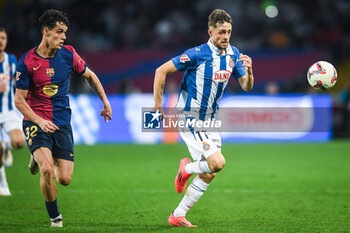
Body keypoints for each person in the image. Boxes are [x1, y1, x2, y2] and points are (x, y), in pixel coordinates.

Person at [153, 9, 254, 227]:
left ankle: (177, 215)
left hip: (209, 119)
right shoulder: (197, 54)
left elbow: (246, 86)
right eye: (221, 32)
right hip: (190, 117)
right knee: (217, 163)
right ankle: (186, 169)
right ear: (210, 32)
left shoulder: (234, 54)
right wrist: (158, 106)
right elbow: (161, 70)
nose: (225, 37)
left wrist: (250, 72)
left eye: (228, 32)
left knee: (209, 173)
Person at [14, 9, 112, 227]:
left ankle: (36, 158)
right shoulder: (27, 62)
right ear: (46, 32)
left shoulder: (68, 54)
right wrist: (39, 121)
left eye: (65, 32)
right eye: (59, 32)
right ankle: (55, 218)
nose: (64, 37)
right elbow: (19, 101)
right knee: (48, 169)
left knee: (65, 179)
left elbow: (90, 76)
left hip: (61, 123)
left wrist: (105, 103)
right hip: (36, 122)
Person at [0, 27, 25, 196]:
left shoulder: (12, 60)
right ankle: (3, 185)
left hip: (8, 110)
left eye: (3, 38)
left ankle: (5, 147)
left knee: (20, 142)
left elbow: (19, 83)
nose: (0, 40)